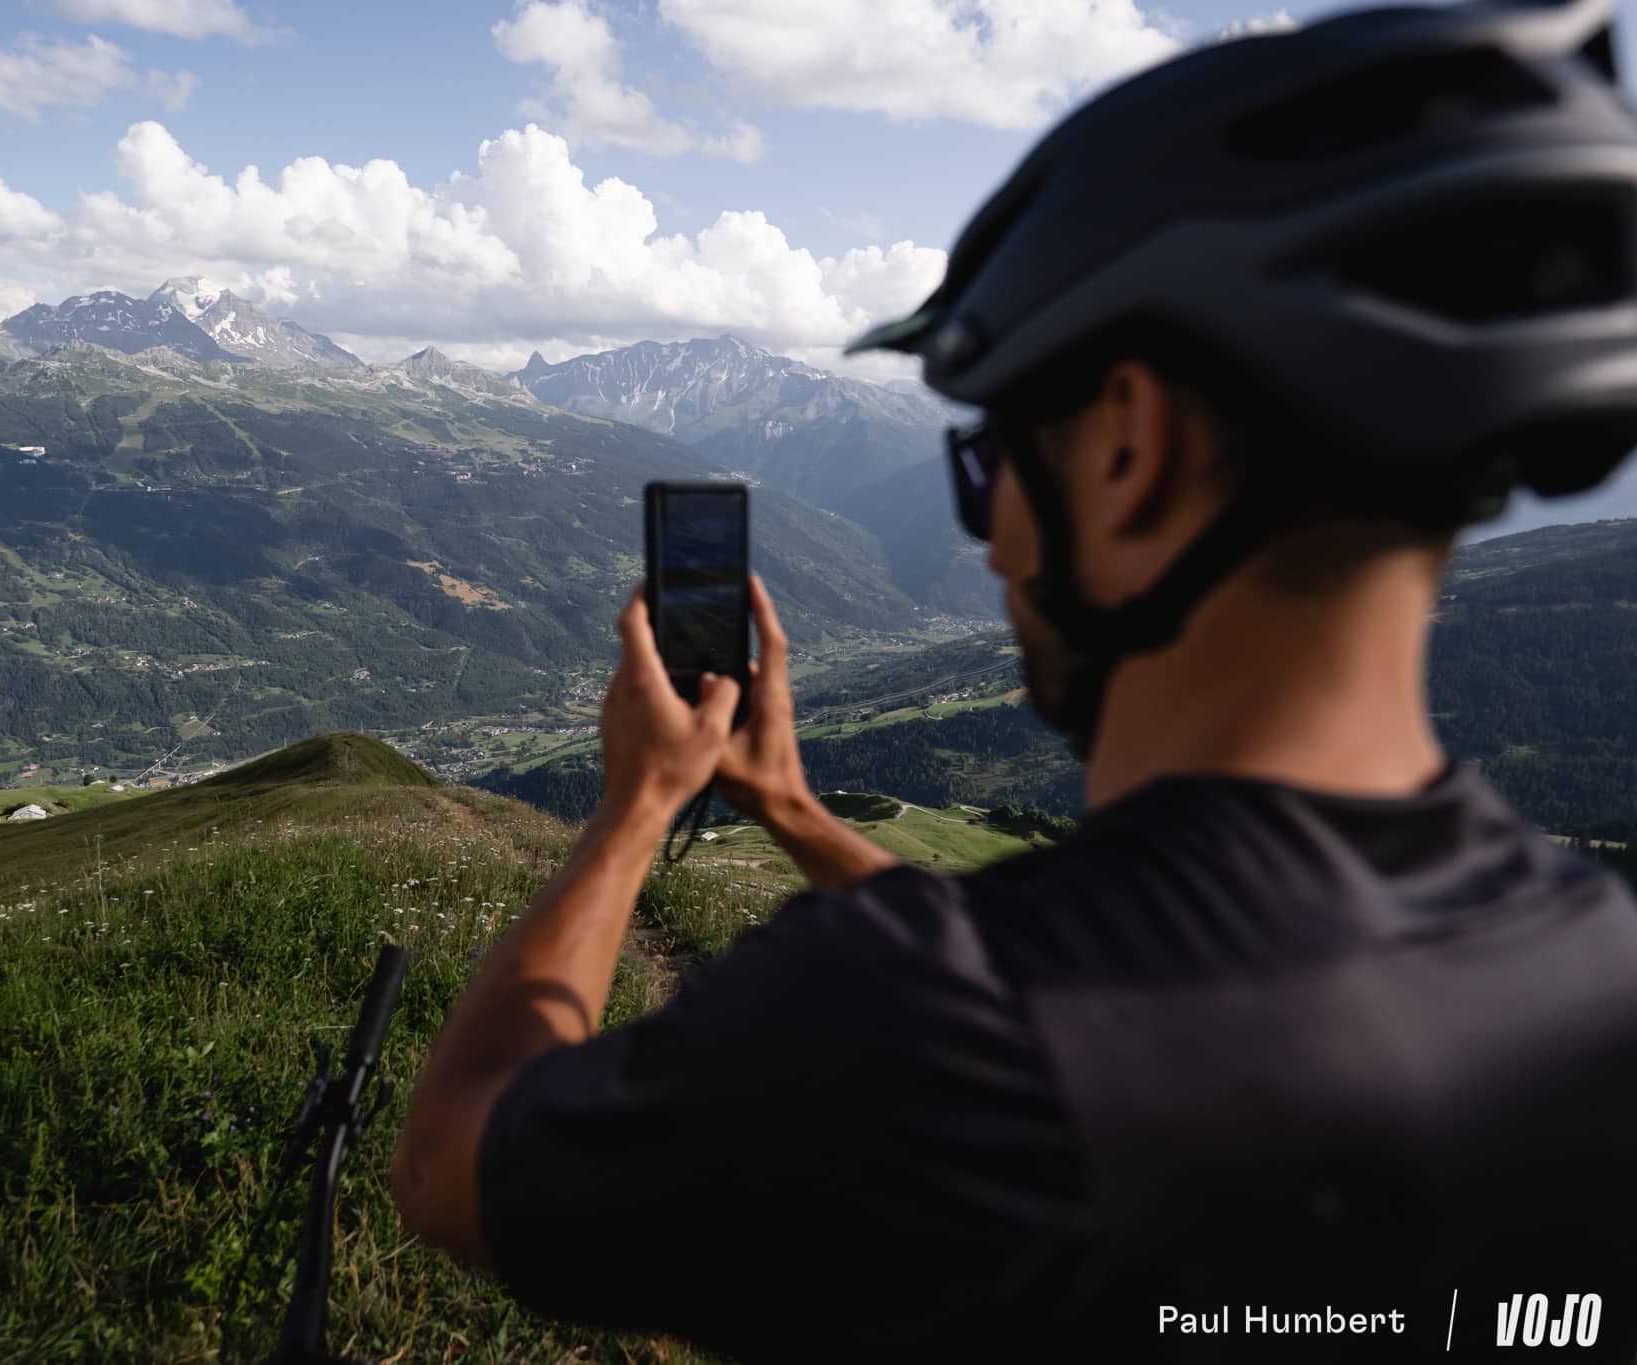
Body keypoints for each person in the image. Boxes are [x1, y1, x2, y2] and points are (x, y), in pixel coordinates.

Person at [392, 0, 1637, 1358]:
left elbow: (454, 1159)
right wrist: (796, 815)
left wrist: (639, 804)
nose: (989, 536)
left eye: (984, 467)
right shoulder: (1591, 962)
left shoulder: (916, 1034)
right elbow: (1106, 985)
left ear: (1127, 445)